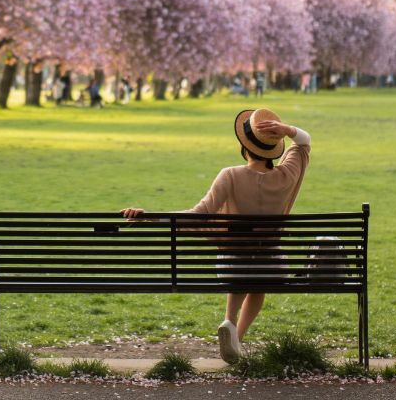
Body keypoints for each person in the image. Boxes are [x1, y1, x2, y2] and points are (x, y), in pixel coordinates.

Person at [121, 108, 311, 364]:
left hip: (232, 266)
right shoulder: (286, 175)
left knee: (241, 263)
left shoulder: (230, 175)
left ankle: (230, 321)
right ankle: (237, 338)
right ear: (273, 151)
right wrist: (287, 130)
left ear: (245, 149)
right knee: (259, 277)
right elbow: (304, 141)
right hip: (272, 267)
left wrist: (149, 216)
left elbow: (198, 214)